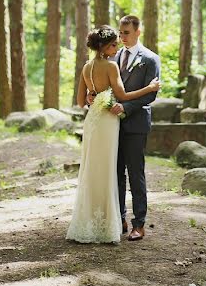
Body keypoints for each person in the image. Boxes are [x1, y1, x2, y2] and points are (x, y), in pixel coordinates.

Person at [66, 25, 160, 244]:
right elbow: (123, 95)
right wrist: (150, 88)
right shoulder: (111, 66)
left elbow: (81, 102)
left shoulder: (86, 67)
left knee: (95, 170)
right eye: (113, 44)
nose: (117, 46)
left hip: (93, 122)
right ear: (104, 47)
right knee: (110, 171)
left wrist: (93, 97)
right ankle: (112, 220)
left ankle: (97, 220)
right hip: (109, 123)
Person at [112, 15, 161, 241]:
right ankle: (119, 217)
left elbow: (151, 94)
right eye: (120, 33)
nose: (122, 37)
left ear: (138, 32)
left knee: (135, 174)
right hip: (112, 126)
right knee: (116, 174)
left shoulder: (150, 59)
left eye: (126, 33)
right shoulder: (115, 56)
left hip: (136, 124)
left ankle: (139, 224)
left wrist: (125, 108)